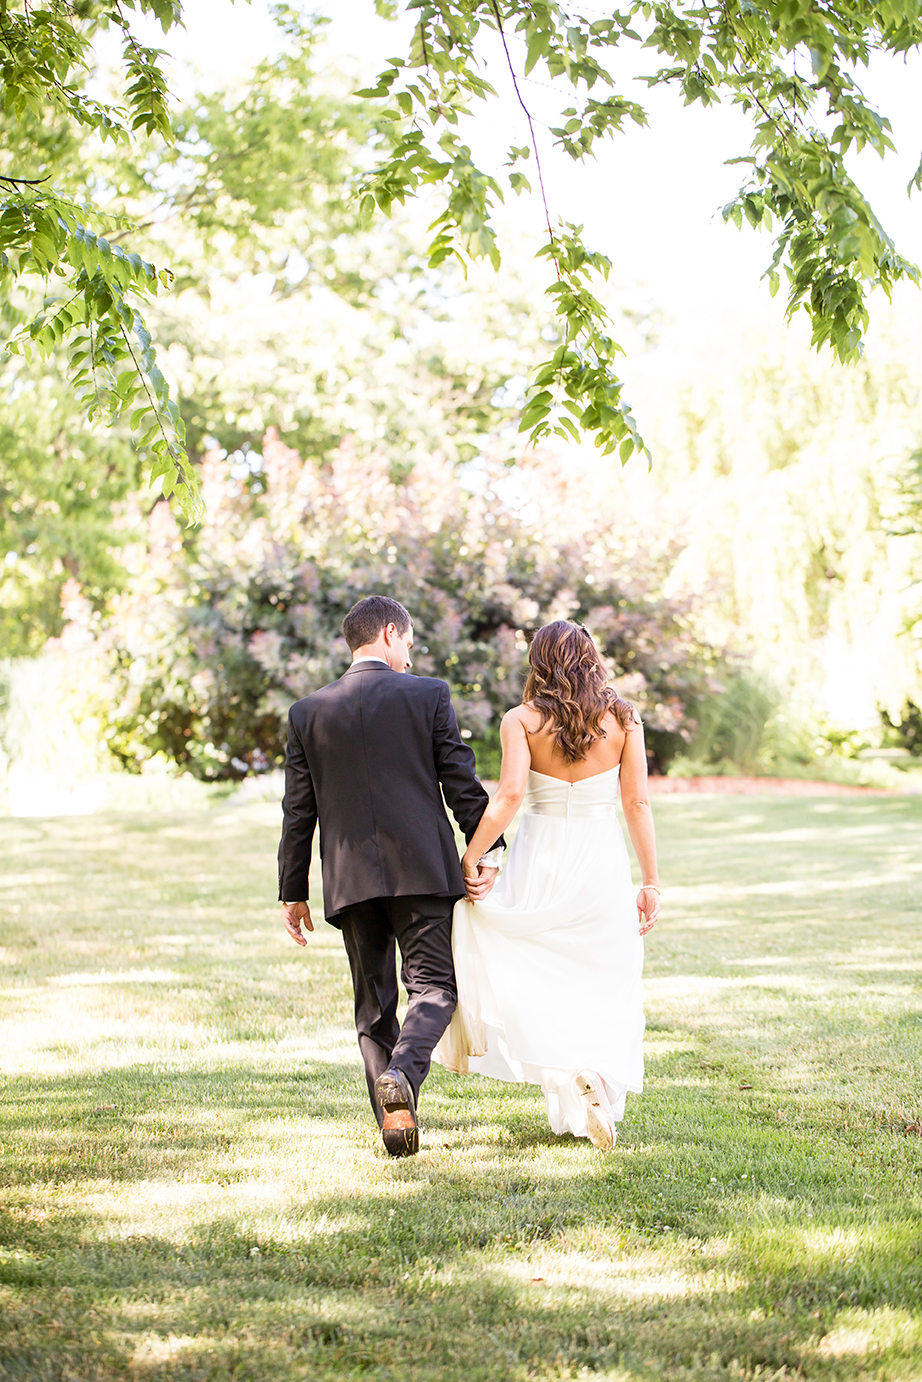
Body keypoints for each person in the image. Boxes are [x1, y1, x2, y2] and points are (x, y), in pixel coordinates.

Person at [277, 595, 503, 1158]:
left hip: (350, 881)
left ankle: (395, 1124)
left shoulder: (308, 712)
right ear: (386, 633)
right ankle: (402, 1072)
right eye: (407, 640)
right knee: (433, 987)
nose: (409, 653)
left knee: (373, 1005)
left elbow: (297, 811)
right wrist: (489, 847)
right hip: (422, 871)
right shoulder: (427, 695)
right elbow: (460, 781)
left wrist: (292, 890)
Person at [433, 619, 660, 1150]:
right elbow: (638, 803)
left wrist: (474, 854)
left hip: (542, 854)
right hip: (600, 858)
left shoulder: (523, 720)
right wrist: (651, 879)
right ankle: (595, 1077)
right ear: (591, 659)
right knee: (604, 972)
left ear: (538, 662)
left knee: (529, 963)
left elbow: (509, 795)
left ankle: (567, 1071)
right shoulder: (624, 720)